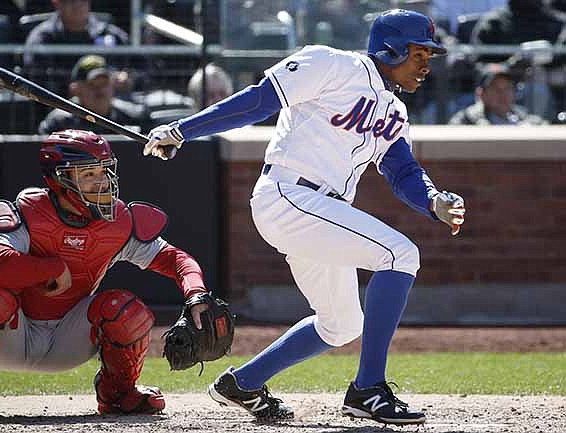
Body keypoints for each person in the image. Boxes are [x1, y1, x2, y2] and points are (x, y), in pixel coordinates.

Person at [143, 9, 466, 426]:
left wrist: (433, 200)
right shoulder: (332, 64)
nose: (426, 65)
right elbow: (260, 100)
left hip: (322, 212)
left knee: (341, 324)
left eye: (429, 56)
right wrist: (183, 130)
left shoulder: (396, 112)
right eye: (420, 54)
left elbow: (403, 171)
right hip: (289, 194)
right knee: (400, 255)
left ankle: (243, 382)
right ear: (391, 49)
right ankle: (368, 388)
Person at [0, 129, 213, 421]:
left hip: (69, 339)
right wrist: (51, 267)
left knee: (125, 309)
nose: (102, 182)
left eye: (104, 171)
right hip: (10, 338)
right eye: (88, 174)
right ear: (59, 180)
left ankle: (120, 394)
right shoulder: (27, 211)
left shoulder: (118, 220)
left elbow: (176, 259)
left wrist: (196, 293)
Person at [23, 0, 129, 97]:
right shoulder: (42, 38)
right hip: (64, 105)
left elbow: (138, 68)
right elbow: (39, 79)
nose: (78, 6)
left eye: (82, 1)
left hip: (112, 103)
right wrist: (80, 88)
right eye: (71, 1)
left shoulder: (110, 34)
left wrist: (127, 79)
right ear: (57, 3)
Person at [38, 55, 146, 135]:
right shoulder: (59, 123)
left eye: (104, 83)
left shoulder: (133, 116)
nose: (100, 90)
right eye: (92, 84)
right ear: (76, 89)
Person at [449, 63, 548, 125]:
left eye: (507, 88)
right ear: (481, 94)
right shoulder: (466, 120)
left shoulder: (526, 119)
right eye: (495, 89)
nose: (503, 94)